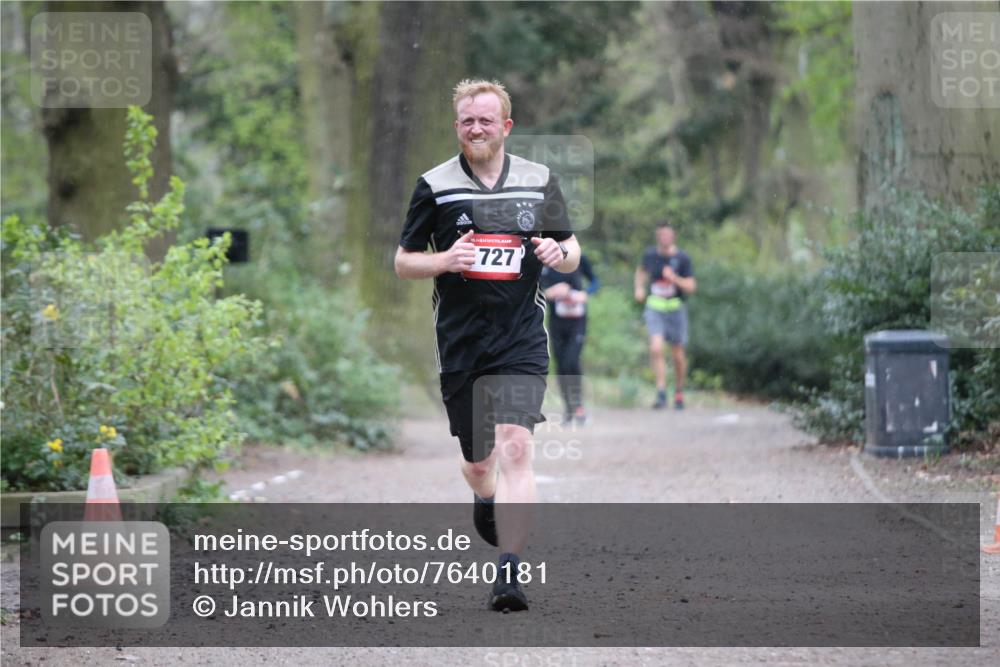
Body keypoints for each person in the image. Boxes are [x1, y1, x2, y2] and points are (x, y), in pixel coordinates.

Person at [394, 79, 581, 612]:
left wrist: (556, 251)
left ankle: (510, 572)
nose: (477, 128)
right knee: (480, 463)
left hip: (521, 337)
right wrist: (443, 261)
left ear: (506, 125)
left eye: (486, 119)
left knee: (517, 447)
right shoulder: (435, 185)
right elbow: (404, 260)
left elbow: (570, 248)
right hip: (460, 343)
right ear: (458, 126)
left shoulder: (538, 180)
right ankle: (483, 492)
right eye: (467, 120)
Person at [634, 222, 696, 409]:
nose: (664, 239)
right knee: (656, 348)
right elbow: (641, 271)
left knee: (677, 354)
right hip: (655, 307)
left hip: (676, 308)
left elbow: (692, 287)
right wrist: (638, 288)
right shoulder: (650, 255)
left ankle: (678, 390)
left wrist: (674, 278)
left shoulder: (683, 258)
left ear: (673, 236)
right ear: (657, 237)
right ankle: (661, 391)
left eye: (667, 235)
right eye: (661, 235)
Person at [540, 254, 600, 425]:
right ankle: (569, 409)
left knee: (571, 361)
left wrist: (585, 294)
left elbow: (595, 281)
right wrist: (549, 292)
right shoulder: (545, 260)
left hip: (577, 322)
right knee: (561, 365)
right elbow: (535, 288)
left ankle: (579, 406)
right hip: (557, 322)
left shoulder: (579, 258)